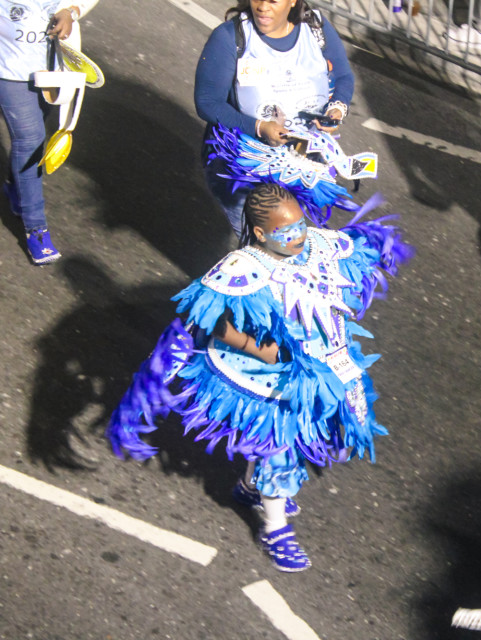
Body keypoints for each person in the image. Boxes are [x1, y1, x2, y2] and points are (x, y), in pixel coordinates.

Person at [107, 183, 412, 572]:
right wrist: (258, 348)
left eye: (300, 224)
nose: (299, 235)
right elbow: (211, 319)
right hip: (270, 377)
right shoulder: (242, 268)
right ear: (262, 233)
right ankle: (274, 528)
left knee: (320, 439)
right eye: (286, 232)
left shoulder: (315, 244)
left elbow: (355, 253)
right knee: (281, 448)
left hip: (324, 365)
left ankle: (251, 487)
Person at [194, 0, 355, 236]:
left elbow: (343, 77)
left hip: (301, 165)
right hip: (244, 169)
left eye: (272, 0)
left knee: (289, 245)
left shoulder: (316, 28)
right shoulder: (230, 37)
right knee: (268, 249)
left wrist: (337, 110)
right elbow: (207, 102)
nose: (262, 6)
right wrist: (258, 127)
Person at [0, 0, 99, 265]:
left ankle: (14, 189)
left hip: (51, 68)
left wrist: (70, 11)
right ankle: (36, 229)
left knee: (34, 134)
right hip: (8, 71)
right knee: (31, 140)